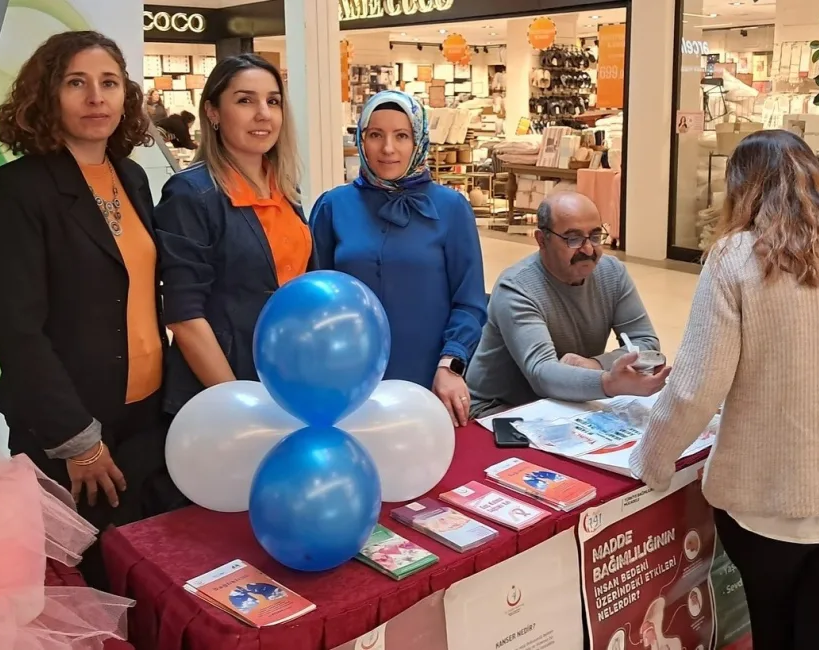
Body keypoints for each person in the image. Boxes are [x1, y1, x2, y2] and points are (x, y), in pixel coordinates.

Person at [629, 130, 819, 650]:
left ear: (741, 189)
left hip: (767, 507)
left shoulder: (736, 259)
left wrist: (649, 463)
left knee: (773, 630)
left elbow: (695, 389)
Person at [0, 30, 182, 587]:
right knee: (81, 582)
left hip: (142, 411)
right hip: (69, 425)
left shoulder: (133, 176)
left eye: (109, 83)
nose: (96, 97)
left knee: (139, 568)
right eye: (77, 83)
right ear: (47, 96)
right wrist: (77, 440)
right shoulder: (19, 189)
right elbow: (18, 332)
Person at [311, 90, 487, 427]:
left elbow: (470, 301)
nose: (388, 148)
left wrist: (451, 365)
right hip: (346, 375)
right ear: (361, 139)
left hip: (427, 374)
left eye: (401, 136)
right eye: (375, 135)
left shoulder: (451, 208)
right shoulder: (333, 206)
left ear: (418, 140)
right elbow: (316, 295)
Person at [155, 54, 314, 415]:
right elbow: (184, 315)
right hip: (226, 392)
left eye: (273, 101)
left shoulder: (286, 191)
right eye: (245, 100)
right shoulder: (190, 194)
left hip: (288, 380)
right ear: (212, 112)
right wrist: (238, 405)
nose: (263, 114)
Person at [465, 191, 666, 417]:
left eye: (596, 236)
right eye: (574, 239)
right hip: (499, 410)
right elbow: (542, 373)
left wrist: (597, 365)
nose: (588, 250)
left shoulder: (612, 273)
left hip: (566, 403)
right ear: (542, 240)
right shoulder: (517, 287)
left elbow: (646, 342)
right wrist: (608, 382)